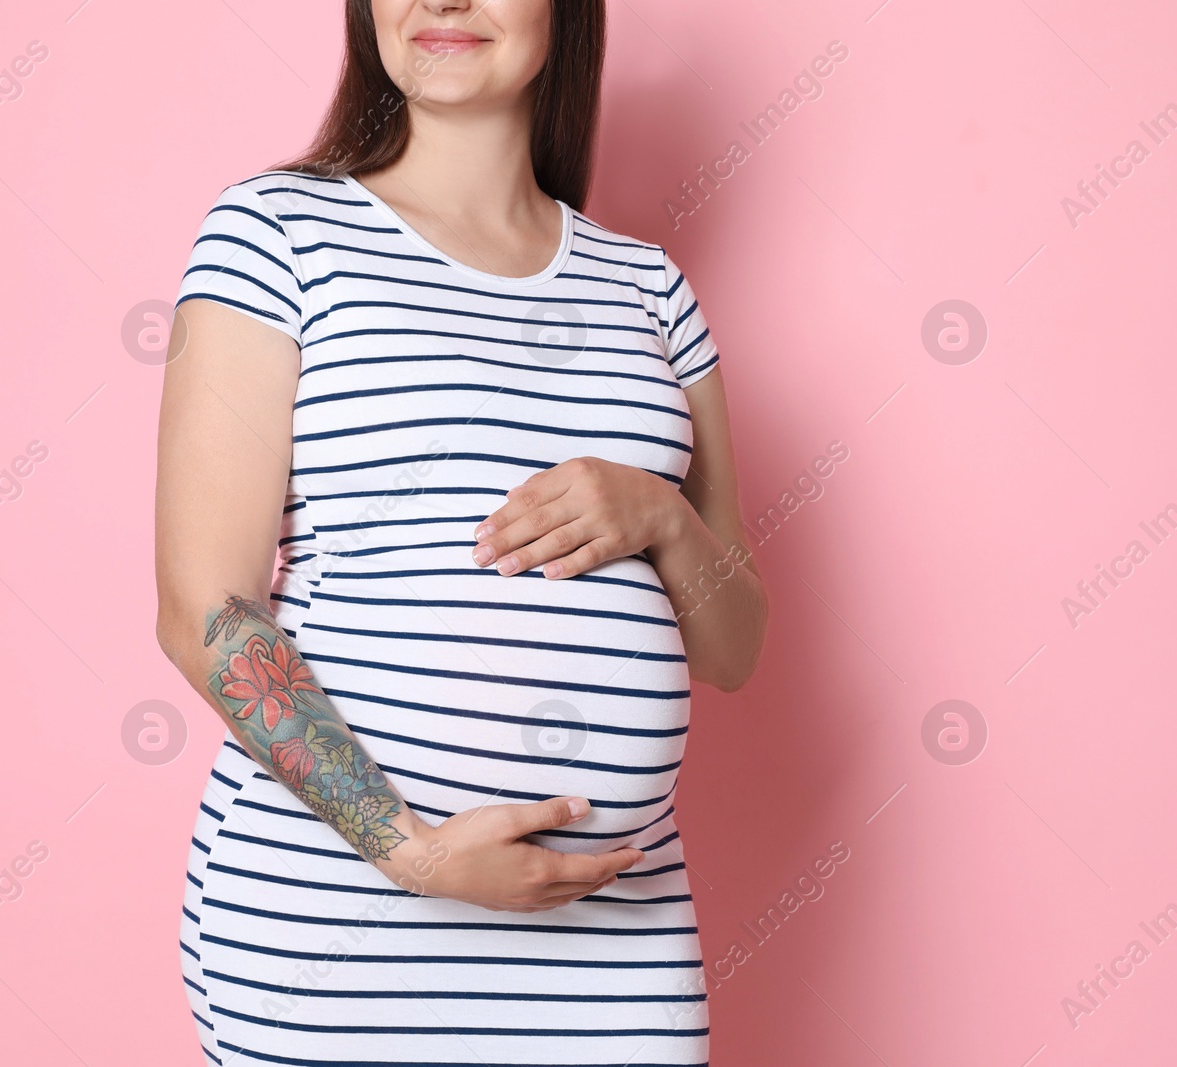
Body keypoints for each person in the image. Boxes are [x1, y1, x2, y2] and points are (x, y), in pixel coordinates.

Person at [153, 2, 766, 1062]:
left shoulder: (648, 289)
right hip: (334, 932)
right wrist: (414, 855)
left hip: (615, 950)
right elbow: (204, 608)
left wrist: (661, 515)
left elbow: (735, 648)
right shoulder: (277, 232)